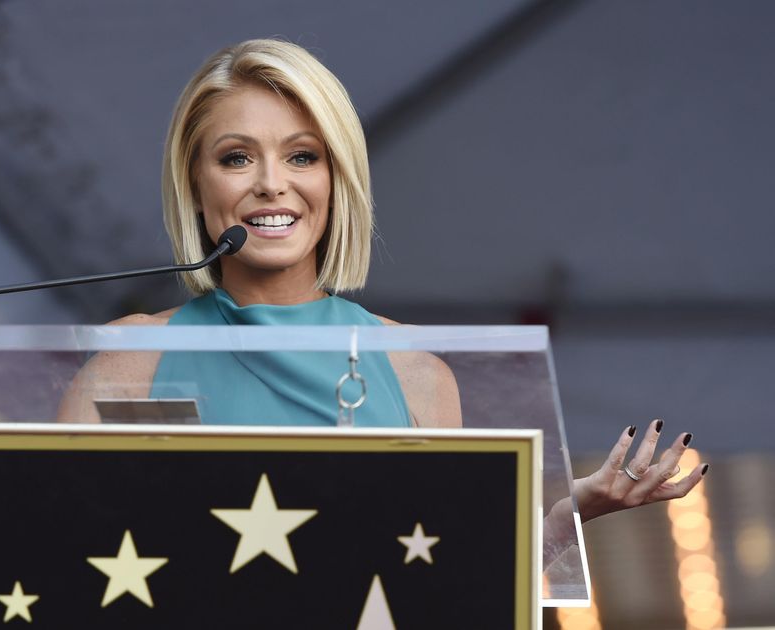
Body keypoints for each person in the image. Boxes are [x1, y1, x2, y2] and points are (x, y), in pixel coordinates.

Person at [56, 39, 707, 528]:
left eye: (302, 156)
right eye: (236, 157)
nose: (271, 183)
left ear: (337, 182)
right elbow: (51, 547)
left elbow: (447, 576)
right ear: (196, 187)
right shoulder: (130, 358)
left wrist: (570, 515)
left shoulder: (414, 370)